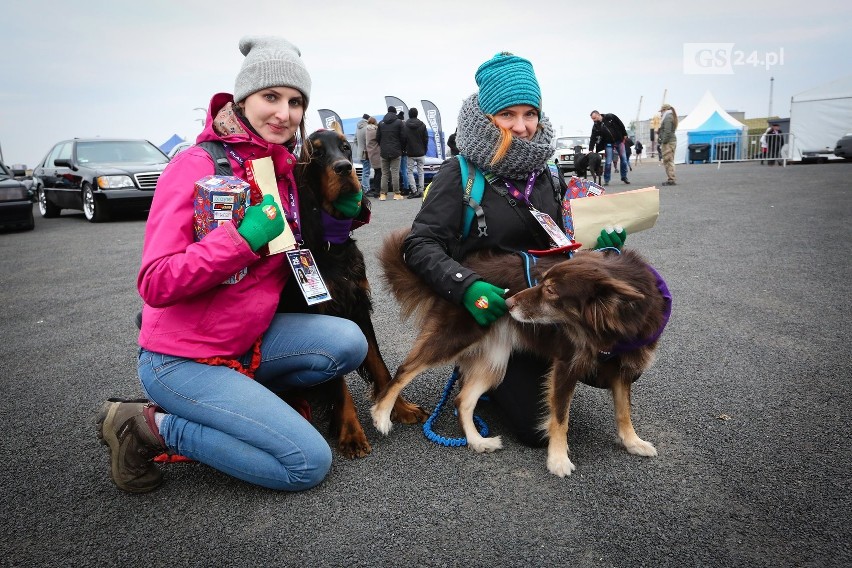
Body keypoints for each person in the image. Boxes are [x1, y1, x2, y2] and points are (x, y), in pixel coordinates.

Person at [95, 35, 369, 493]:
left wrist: (346, 213)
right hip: (182, 359)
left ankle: (252, 404)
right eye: (271, 97)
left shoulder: (281, 172)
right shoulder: (194, 166)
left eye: (296, 101)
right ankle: (144, 426)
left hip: (249, 342)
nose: (285, 113)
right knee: (306, 464)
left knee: (347, 342)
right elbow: (155, 282)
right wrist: (242, 241)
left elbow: (310, 243)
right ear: (243, 99)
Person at [403, 51, 626, 447]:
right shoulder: (460, 173)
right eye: (508, 115)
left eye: (530, 113)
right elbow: (418, 244)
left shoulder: (550, 171)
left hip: (545, 303)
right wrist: (465, 285)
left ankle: (518, 368)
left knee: (619, 355)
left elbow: (565, 239)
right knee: (537, 427)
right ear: (486, 116)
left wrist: (600, 248)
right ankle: (475, 369)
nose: (522, 127)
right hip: (494, 312)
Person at [589, 110, 630, 185]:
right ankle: (606, 179)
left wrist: (624, 133)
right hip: (608, 143)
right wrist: (590, 149)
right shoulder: (596, 126)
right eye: (592, 119)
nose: (594, 120)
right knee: (608, 162)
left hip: (619, 141)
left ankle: (624, 176)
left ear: (598, 115)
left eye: (594, 118)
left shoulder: (610, 117)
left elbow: (620, 124)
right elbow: (593, 138)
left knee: (624, 159)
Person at [376, 105, 405, 200]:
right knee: (395, 172)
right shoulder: (399, 122)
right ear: (395, 112)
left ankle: (383, 195)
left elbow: (377, 138)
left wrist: (383, 146)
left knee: (384, 174)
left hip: (384, 151)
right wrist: (401, 148)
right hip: (396, 151)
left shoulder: (381, 123)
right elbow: (403, 137)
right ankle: (396, 194)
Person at [403, 107, 429, 199]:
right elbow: (426, 139)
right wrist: (424, 149)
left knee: (410, 172)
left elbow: (403, 139)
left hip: (410, 153)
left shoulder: (405, 125)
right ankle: (421, 190)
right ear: (417, 114)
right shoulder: (422, 125)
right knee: (421, 171)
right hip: (421, 152)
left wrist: (404, 149)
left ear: (409, 114)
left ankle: (414, 191)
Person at [658, 103, 678, 186]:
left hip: (668, 142)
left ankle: (671, 179)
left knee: (668, 161)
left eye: (661, 111)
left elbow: (667, 131)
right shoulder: (670, 116)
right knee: (669, 160)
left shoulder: (667, 118)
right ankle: (671, 178)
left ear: (664, 110)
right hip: (670, 141)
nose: (660, 113)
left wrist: (663, 141)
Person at [365, 116, 382, 196]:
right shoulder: (374, 130)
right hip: (376, 153)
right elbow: (379, 138)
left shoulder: (367, 129)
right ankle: (377, 190)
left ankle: (376, 189)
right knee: (379, 172)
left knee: (377, 172)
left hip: (372, 153)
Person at [355, 113, 371, 192]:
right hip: (366, 153)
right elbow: (368, 141)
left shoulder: (358, 127)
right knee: (366, 172)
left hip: (360, 153)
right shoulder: (367, 127)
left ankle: (365, 187)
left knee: (365, 170)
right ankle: (366, 188)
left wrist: (360, 147)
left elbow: (355, 140)